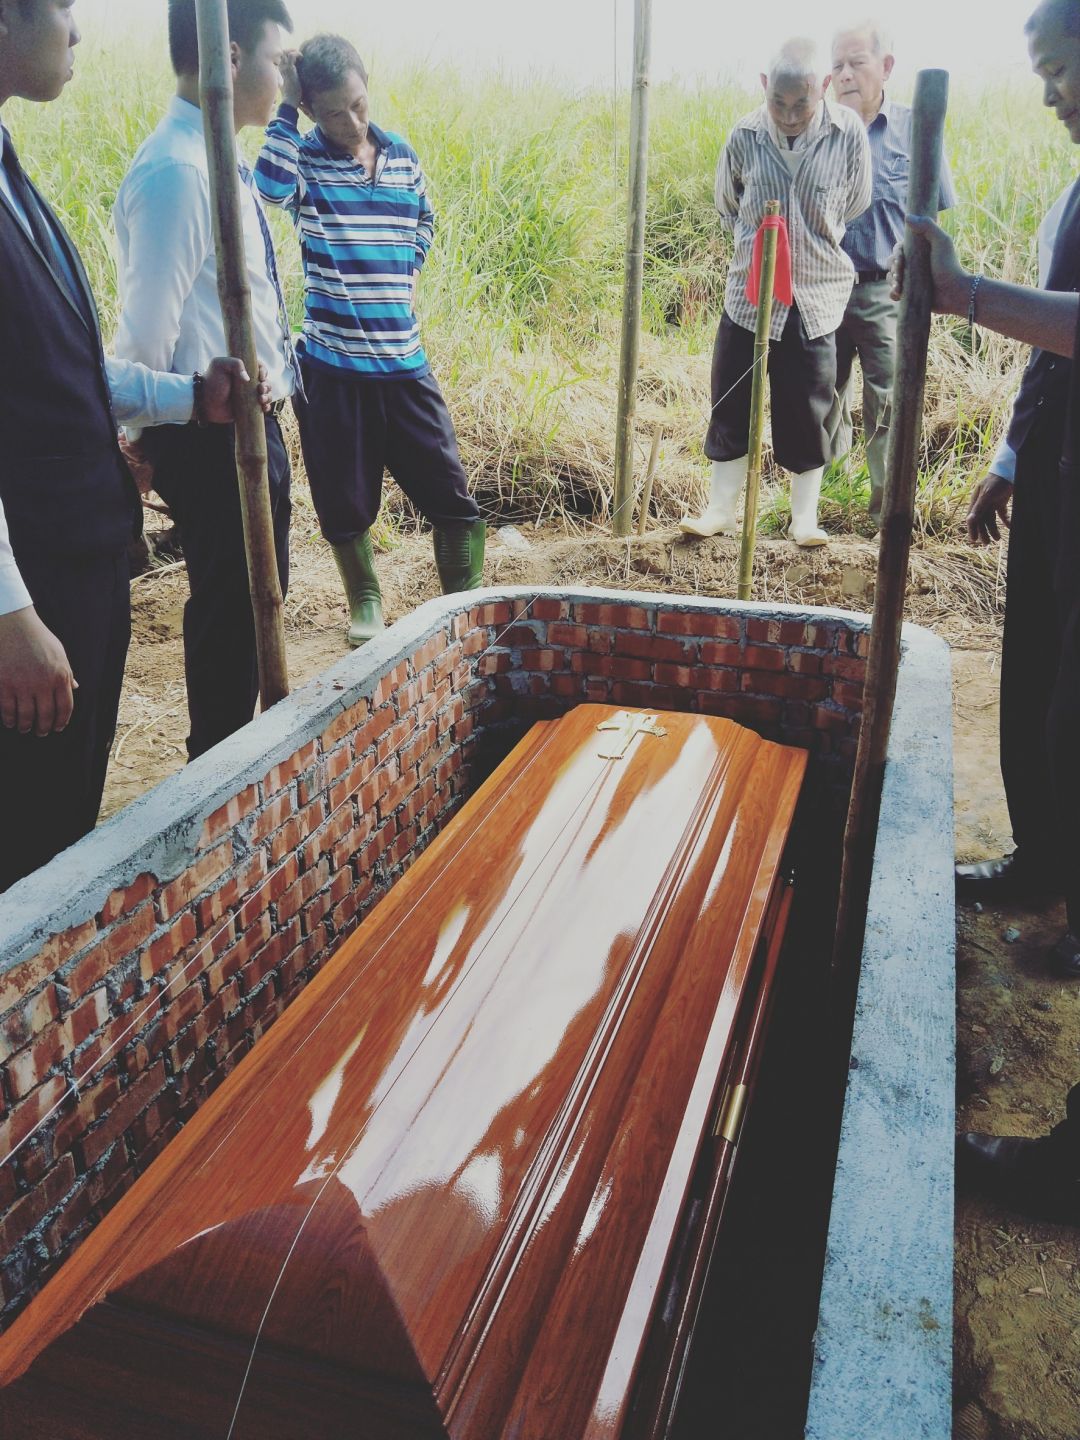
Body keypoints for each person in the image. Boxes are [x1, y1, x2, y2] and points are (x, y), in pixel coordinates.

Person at [0, 0, 264, 893]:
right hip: (32, 586)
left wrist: (189, 397)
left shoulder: (11, 172)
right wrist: (9, 614)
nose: (77, 31)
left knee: (61, 818)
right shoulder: (171, 173)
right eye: (62, 7)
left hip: (72, 564)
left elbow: (62, 368)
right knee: (29, 840)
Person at [897, 0, 1080, 977]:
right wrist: (1011, 460)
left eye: (1059, 69)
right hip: (1056, 464)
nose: (1049, 95)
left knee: (1075, 705)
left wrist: (964, 293)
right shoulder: (1073, 195)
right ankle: (1042, 861)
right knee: (1036, 674)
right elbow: (1052, 350)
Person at [254, 33, 484, 649]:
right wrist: (284, 106)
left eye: (358, 104)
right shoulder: (304, 159)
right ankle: (366, 599)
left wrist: (408, 268)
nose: (352, 122)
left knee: (452, 497)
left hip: (404, 361)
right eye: (333, 113)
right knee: (344, 500)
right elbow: (267, 189)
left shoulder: (401, 155)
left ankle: (459, 609)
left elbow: (425, 217)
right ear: (310, 110)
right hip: (333, 367)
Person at [113, 0, 298, 761]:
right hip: (210, 433)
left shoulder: (216, 158)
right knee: (230, 617)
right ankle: (215, 779)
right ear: (229, 55)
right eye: (278, 61)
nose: (285, 78)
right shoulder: (180, 173)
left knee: (249, 613)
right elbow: (145, 336)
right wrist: (136, 437)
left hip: (237, 424)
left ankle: (229, 768)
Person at [681, 37, 871, 548]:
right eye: (778, 103)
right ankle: (720, 511)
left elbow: (855, 202)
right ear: (764, 86)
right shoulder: (744, 135)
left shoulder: (848, 135)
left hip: (815, 298)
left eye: (800, 104)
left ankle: (803, 519)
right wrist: (758, 251)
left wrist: (810, 238)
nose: (788, 116)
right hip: (748, 297)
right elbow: (728, 205)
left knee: (809, 407)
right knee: (731, 399)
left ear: (824, 87)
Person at [829, 20, 957, 527]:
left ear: (885, 67)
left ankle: (884, 518)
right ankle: (828, 511)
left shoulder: (914, 129)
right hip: (824, 288)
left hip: (887, 289)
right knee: (824, 398)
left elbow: (933, 214)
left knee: (887, 400)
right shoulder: (819, 131)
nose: (845, 74)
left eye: (856, 62)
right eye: (837, 65)